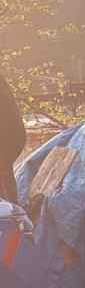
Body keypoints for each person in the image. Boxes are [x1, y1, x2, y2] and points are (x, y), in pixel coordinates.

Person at [0, 75, 25, 204]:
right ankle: (14, 212)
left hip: (8, 136)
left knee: (4, 175)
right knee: (6, 175)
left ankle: (12, 215)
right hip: (12, 136)